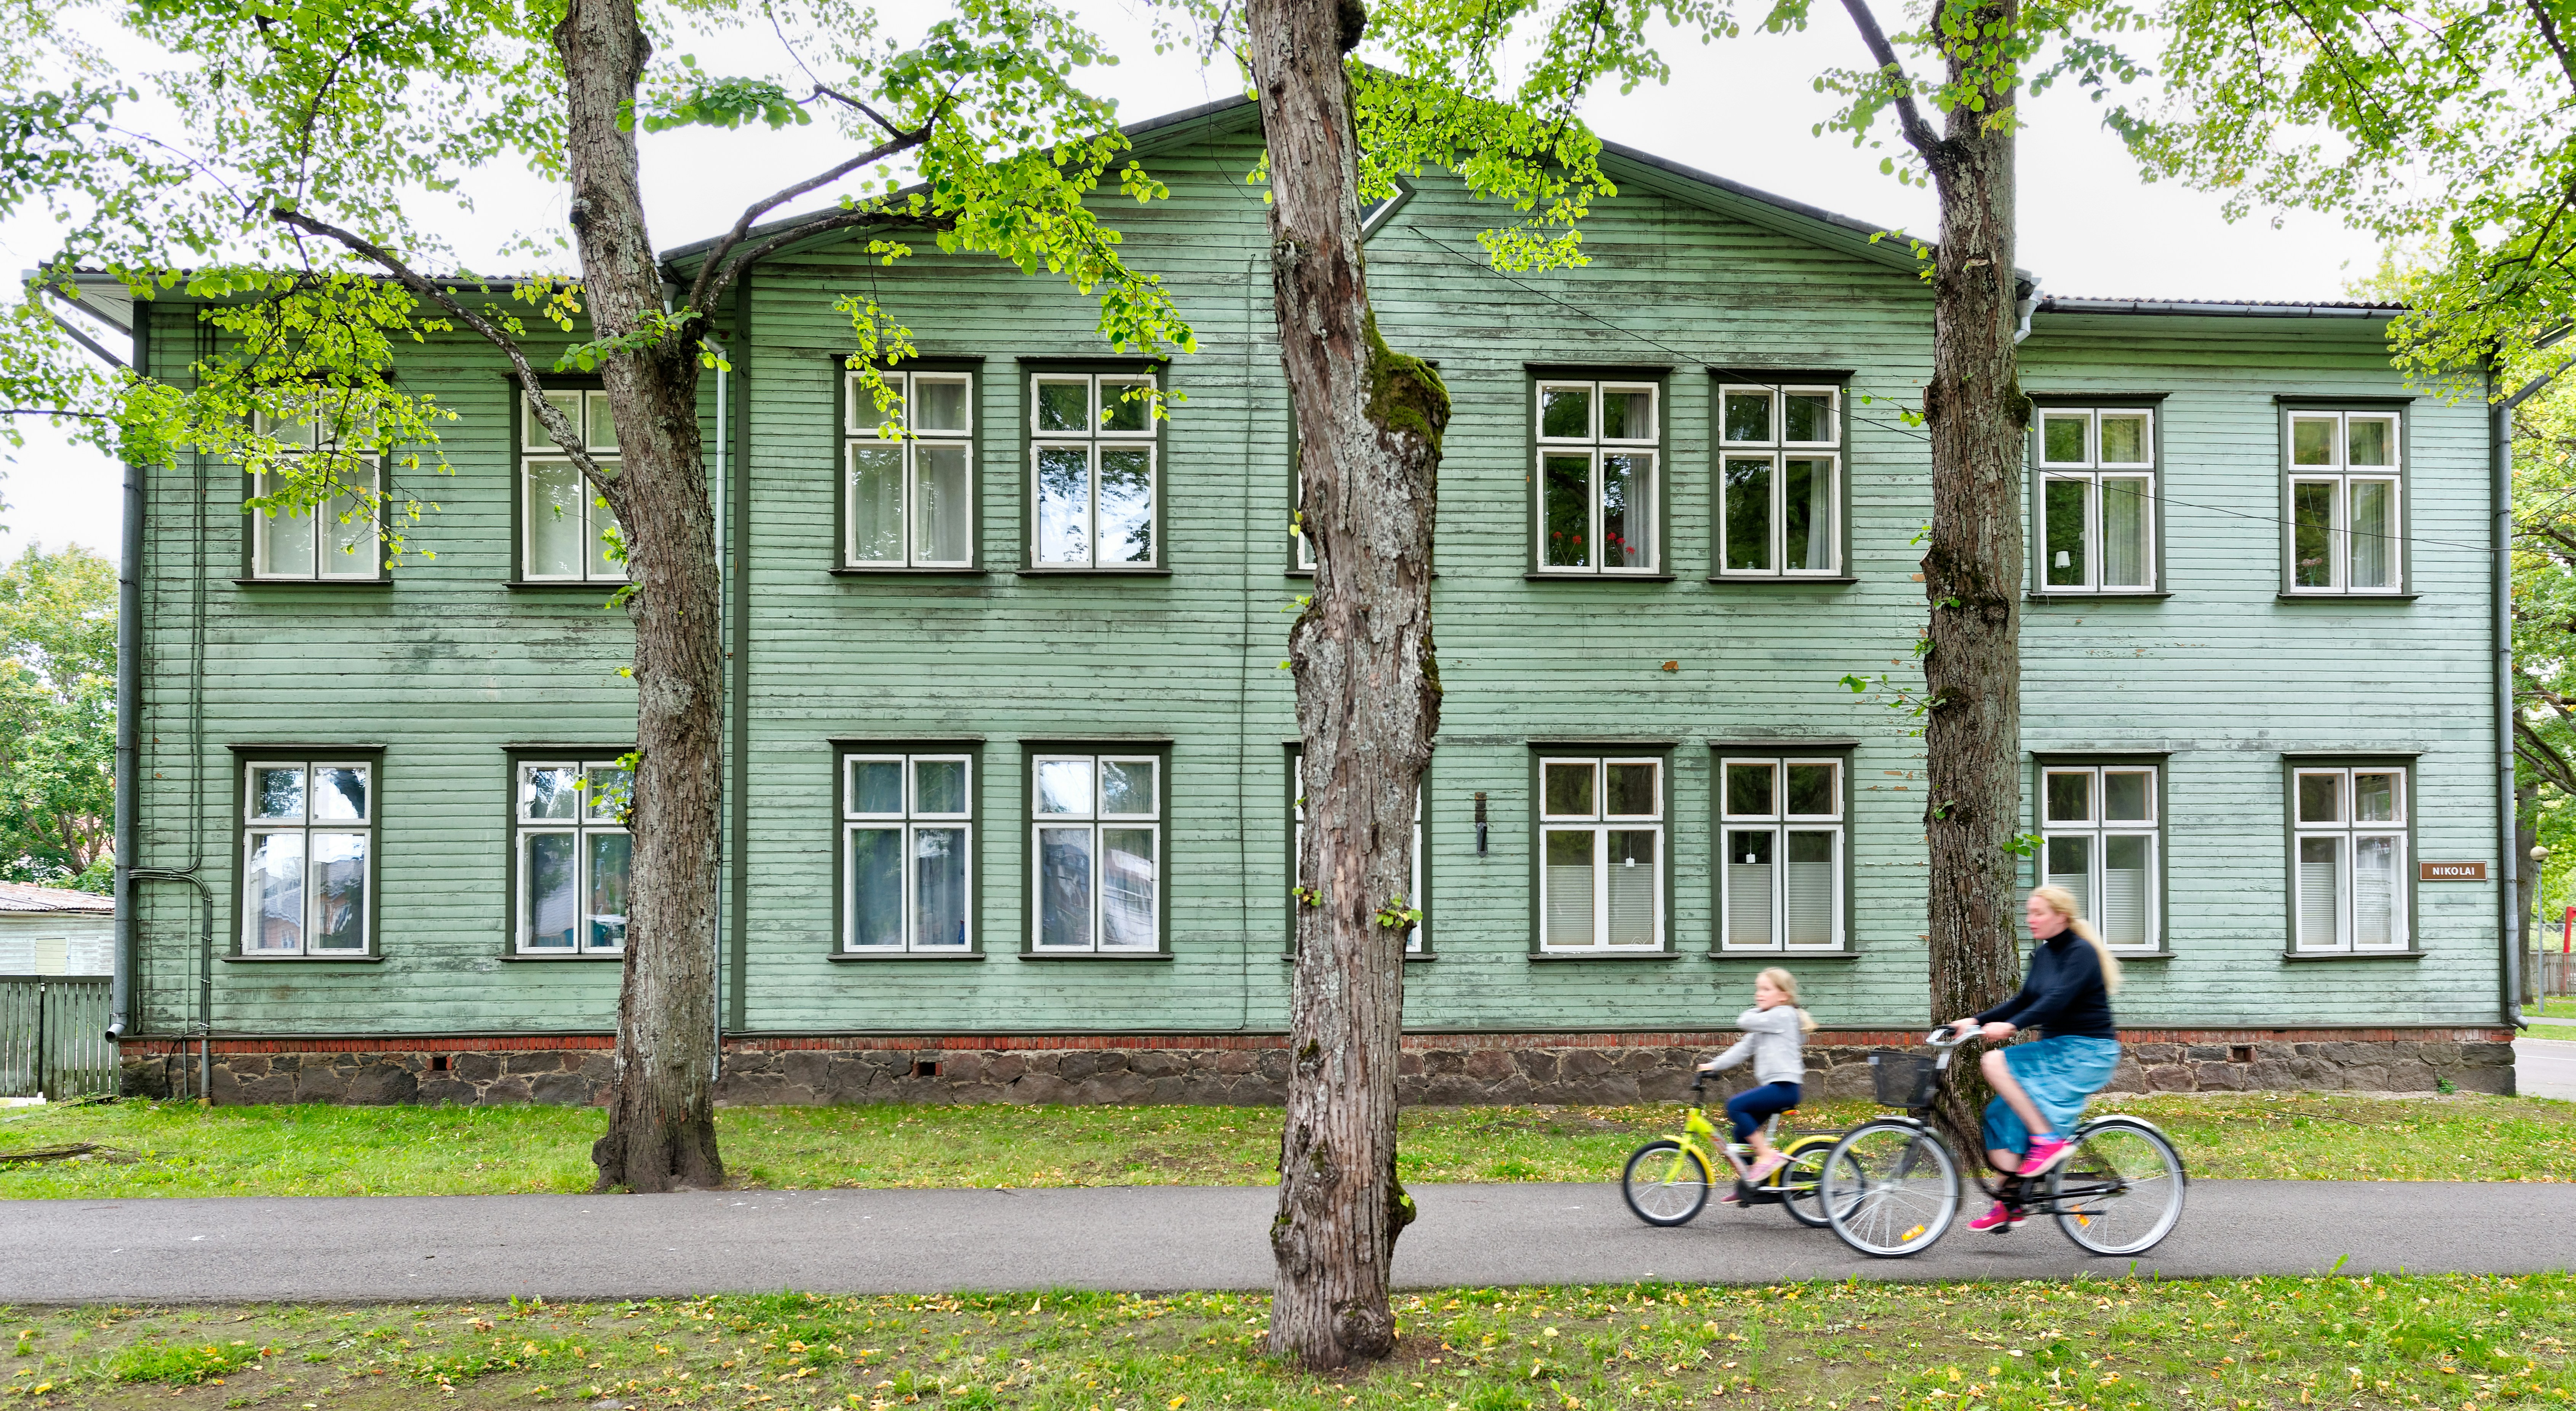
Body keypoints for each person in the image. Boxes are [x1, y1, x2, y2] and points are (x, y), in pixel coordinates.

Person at [1948, 884, 2124, 1234]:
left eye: (2038, 912)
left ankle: (2047, 1140)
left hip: (2086, 1051)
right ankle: (2009, 1201)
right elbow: (2023, 999)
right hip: (2058, 1049)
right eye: (2029, 912)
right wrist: (1975, 1020)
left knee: (1994, 1062)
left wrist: (2012, 1026)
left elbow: (2056, 1001)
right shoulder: (2043, 955)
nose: (2031, 919)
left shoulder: (2081, 953)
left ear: (2061, 916)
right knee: (2001, 1113)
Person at [1698, 967, 1817, 1193]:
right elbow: (1742, 1050)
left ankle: (1766, 1156)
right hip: (1776, 1088)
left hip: (1785, 1088)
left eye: (1766, 989)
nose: (1759, 994)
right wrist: (1714, 1065)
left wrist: (1757, 1011)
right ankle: (1753, 1185)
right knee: (1740, 1135)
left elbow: (1744, 1020)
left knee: (1735, 1106)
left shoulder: (1783, 1014)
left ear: (1784, 996)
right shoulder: (1768, 1022)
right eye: (1758, 989)